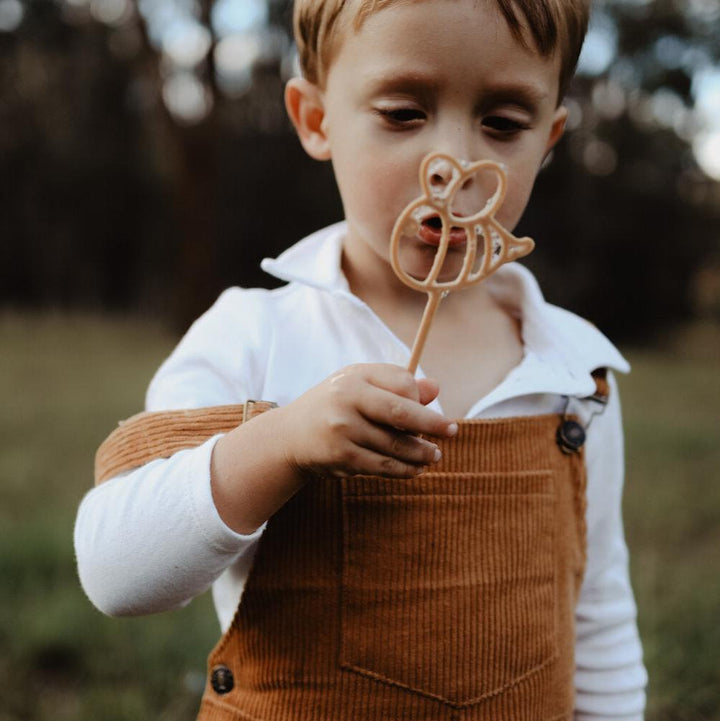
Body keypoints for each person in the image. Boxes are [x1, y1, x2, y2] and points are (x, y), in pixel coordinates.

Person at [75, 0, 647, 718]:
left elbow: (595, 610)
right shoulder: (255, 334)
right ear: (316, 120)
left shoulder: (574, 371)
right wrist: (280, 444)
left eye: (503, 124)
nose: (457, 166)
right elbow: (115, 573)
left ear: (550, 138)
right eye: (405, 112)